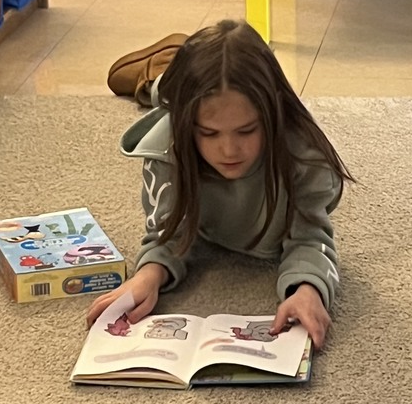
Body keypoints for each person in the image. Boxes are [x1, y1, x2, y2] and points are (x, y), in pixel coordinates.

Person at [87, 19, 353, 349]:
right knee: (164, 94)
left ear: (273, 115)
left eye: (246, 131)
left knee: (187, 91)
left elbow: (312, 238)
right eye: (209, 133)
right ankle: (160, 70)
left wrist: (309, 290)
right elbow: (167, 232)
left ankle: (171, 67)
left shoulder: (304, 156)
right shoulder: (168, 150)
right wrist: (149, 274)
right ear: (187, 129)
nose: (229, 150)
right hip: (176, 101)